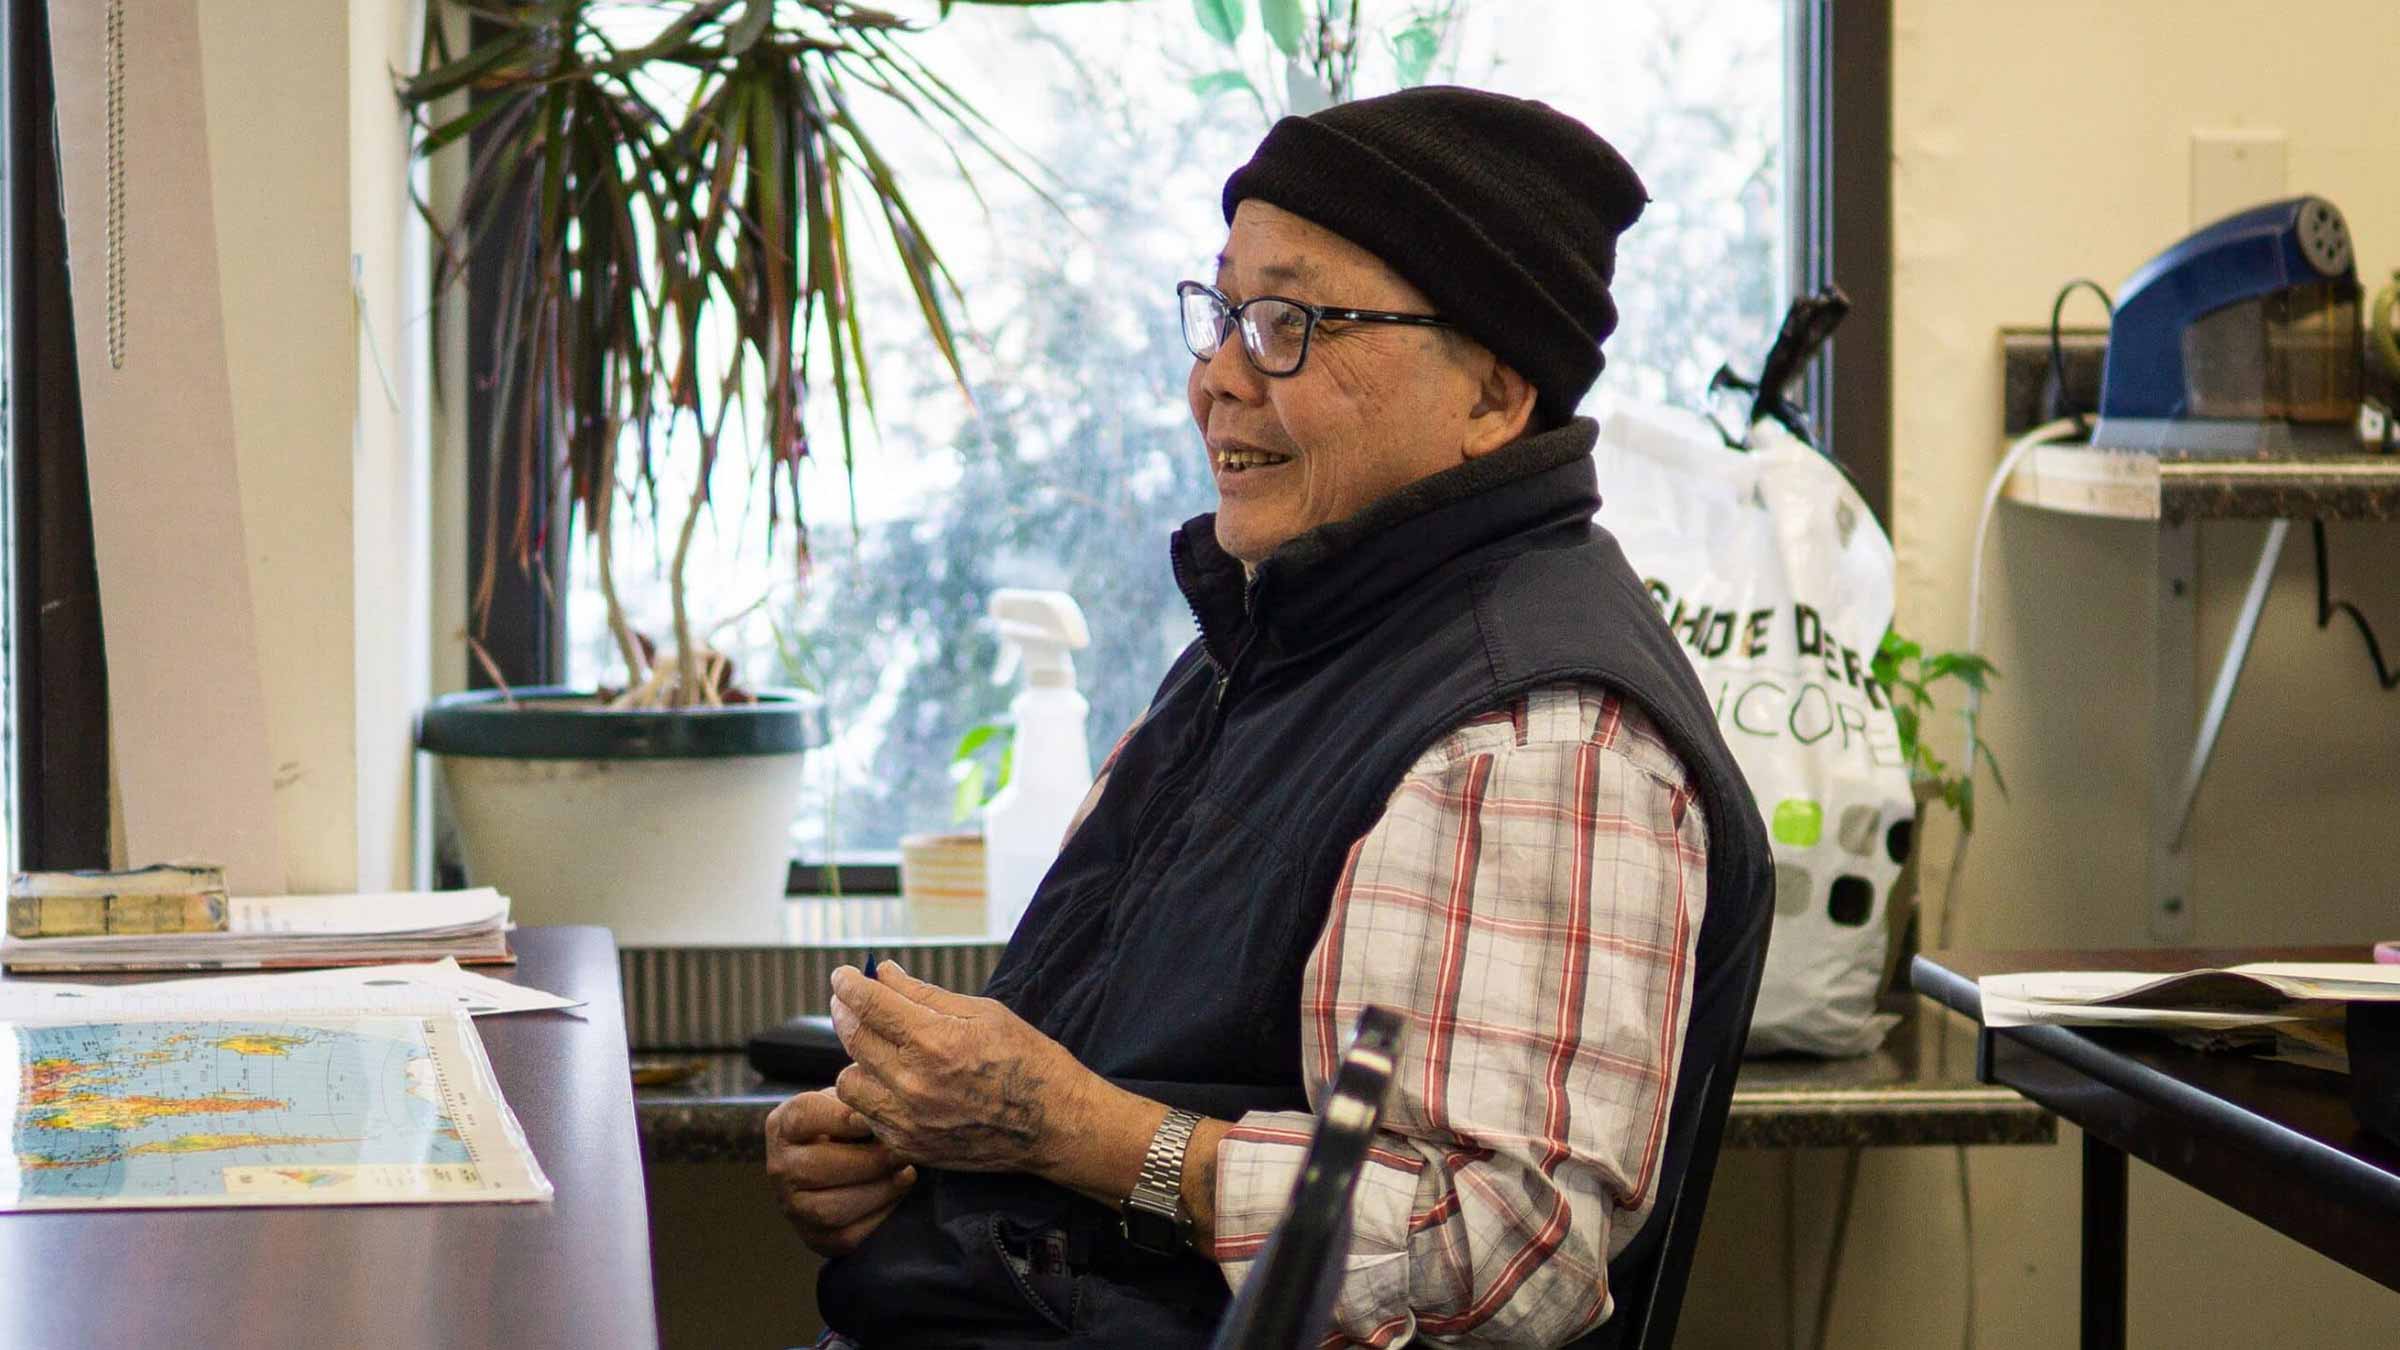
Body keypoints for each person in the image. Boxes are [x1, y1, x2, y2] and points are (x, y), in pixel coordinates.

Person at [766, 85, 1772, 1348]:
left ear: (1493, 397)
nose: (1215, 382)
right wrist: (917, 1165)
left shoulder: (1531, 736)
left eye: (1291, 323)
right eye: (1224, 312)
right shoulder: (1284, 630)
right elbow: (1146, 1068)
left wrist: (1072, 1131)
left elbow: (1495, 1249)